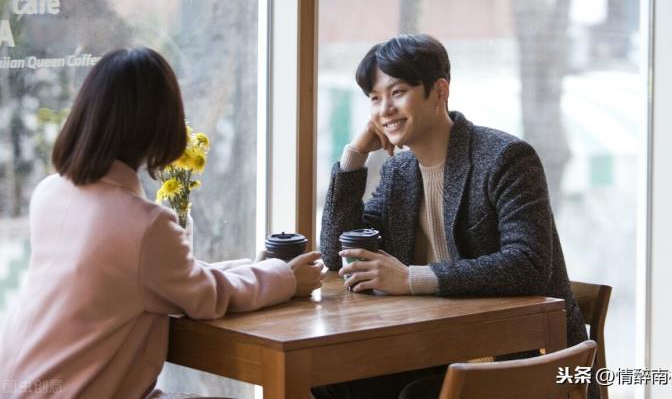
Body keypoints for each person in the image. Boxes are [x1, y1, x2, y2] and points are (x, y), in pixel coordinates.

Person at [0, 48, 324, 399]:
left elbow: (167, 278)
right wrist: (287, 279)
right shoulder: (144, 225)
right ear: (158, 124)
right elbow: (205, 297)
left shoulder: (50, 192)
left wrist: (260, 269)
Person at [315, 34, 597, 399]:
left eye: (398, 92)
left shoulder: (505, 158)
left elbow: (528, 265)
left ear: (439, 91)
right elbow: (336, 253)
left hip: (521, 357)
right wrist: (354, 156)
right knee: (329, 381)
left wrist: (411, 278)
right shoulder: (399, 173)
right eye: (374, 98)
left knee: (416, 395)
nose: (385, 109)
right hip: (435, 350)